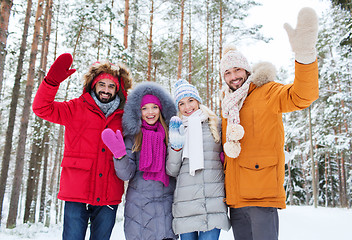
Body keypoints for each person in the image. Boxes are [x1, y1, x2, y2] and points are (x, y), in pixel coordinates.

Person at [219, 7, 319, 240]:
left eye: (237, 70)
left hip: (261, 194)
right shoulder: (228, 104)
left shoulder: (267, 91)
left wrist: (304, 56)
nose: (234, 76)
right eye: (227, 73)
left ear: (247, 69)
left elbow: (302, 96)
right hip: (235, 199)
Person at [32, 53, 132, 240]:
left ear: (117, 90)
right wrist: (51, 82)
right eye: (102, 84)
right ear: (93, 84)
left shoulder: (124, 116)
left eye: (111, 86)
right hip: (76, 192)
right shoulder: (76, 108)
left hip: (108, 195)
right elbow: (41, 108)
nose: (106, 90)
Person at [101, 82, 177, 240]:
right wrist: (120, 155)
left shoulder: (171, 135)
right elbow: (126, 174)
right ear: (138, 111)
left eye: (154, 107)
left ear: (161, 109)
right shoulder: (133, 137)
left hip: (167, 205)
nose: (150, 112)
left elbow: (176, 168)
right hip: (139, 207)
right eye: (144, 108)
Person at [166, 79, 230, 240]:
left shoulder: (216, 124)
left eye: (190, 101)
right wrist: (176, 146)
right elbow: (172, 170)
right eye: (181, 104)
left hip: (213, 201)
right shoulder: (177, 128)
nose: (187, 107)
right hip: (186, 202)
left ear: (198, 101)